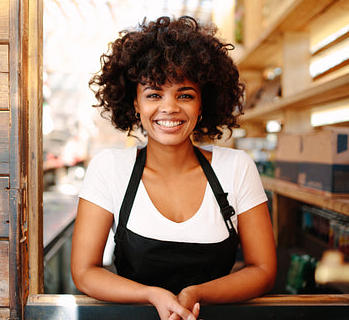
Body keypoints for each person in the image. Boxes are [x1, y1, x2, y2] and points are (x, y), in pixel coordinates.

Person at [71, 16, 277, 320]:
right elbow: (84, 271)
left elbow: (263, 270)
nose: (169, 107)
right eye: (154, 94)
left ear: (202, 104)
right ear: (135, 104)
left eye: (185, 95)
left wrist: (195, 294)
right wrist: (152, 295)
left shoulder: (236, 168)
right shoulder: (110, 169)